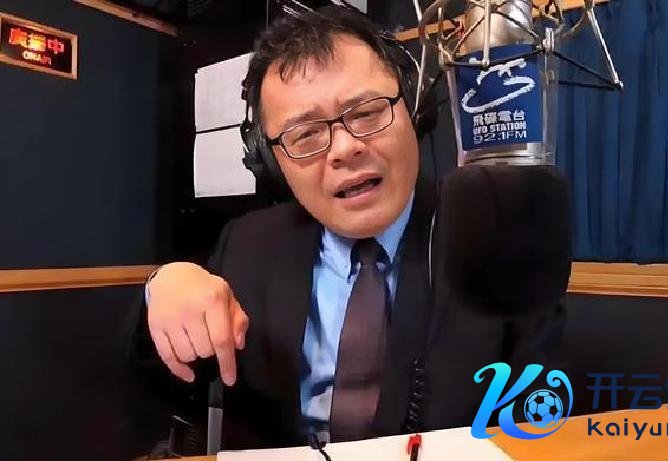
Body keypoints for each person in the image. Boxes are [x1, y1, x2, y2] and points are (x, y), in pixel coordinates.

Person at [128, 4, 569, 450]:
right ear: (271, 162)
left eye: (367, 112)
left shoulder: (497, 235)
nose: (343, 149)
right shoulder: (248, 244)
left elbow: (540, 423)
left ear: (415, 110)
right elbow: (166, 389)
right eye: (305, 135)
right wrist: (162, 288)